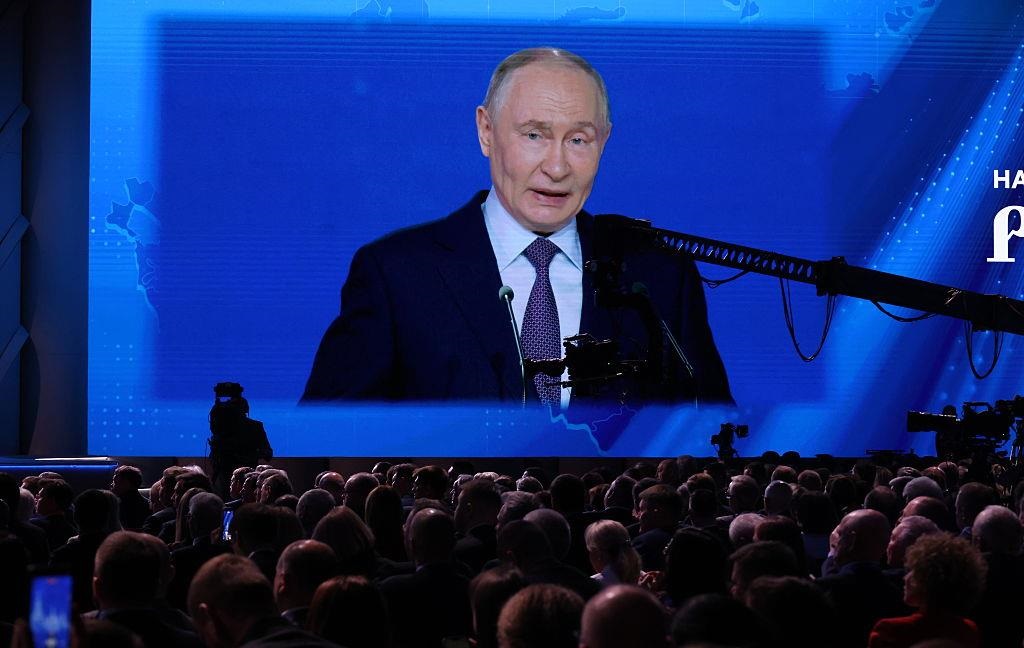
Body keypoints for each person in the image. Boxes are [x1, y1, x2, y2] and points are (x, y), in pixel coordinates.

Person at [302, 46, 731, 410]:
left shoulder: (659, 278)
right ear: (486, 131)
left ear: (604, 142)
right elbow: (324, 440)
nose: (557, 167)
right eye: (534, 136)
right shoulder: (396, 275)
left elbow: (715, 434)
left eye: (578, 140)